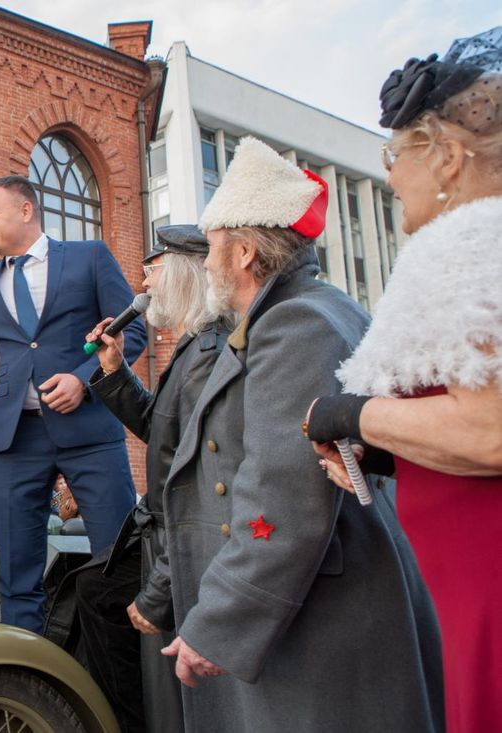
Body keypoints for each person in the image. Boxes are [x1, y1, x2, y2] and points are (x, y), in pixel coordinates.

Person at [158, 136, 443, 732]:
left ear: (243, 253)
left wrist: (221, 622)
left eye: (213, 246)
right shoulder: (308, 310)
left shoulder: (295, 325)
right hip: (315, 608)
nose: (205, 264)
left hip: (319, 622)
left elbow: (282, 492)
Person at [306, 29, 502, 733]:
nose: (389, 177)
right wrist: (394, 453)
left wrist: (352, 416)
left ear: (446, 156)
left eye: (396, 156)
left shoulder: (470, 244)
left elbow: (491, 429)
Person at [0, 175, 144, 633]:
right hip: (17, 439)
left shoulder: (90, 258)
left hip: (90, 432)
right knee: (16, 572)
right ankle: (28, 665)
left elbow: (133, 331)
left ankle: (121, 665)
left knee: (119, 559)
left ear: (26, 210)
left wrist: (84, 381)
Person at [71, 225, 230, 733]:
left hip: (178, 536)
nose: (143, 285)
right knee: (92, 588)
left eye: (152, 271)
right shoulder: (191, 348)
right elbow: (161, 430)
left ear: (182, 275)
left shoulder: (209, 353)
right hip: (162, 531)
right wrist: (114, 369)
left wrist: (160, 583)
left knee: (100, 593)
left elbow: (193, 473)